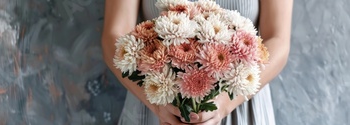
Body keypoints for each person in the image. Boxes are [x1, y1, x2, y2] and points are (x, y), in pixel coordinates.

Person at [101, 0, 293, 125]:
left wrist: (225, 103)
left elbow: (278, 39)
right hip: (155, 102)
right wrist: (157, 103)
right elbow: (114, 35)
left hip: (240, 103)